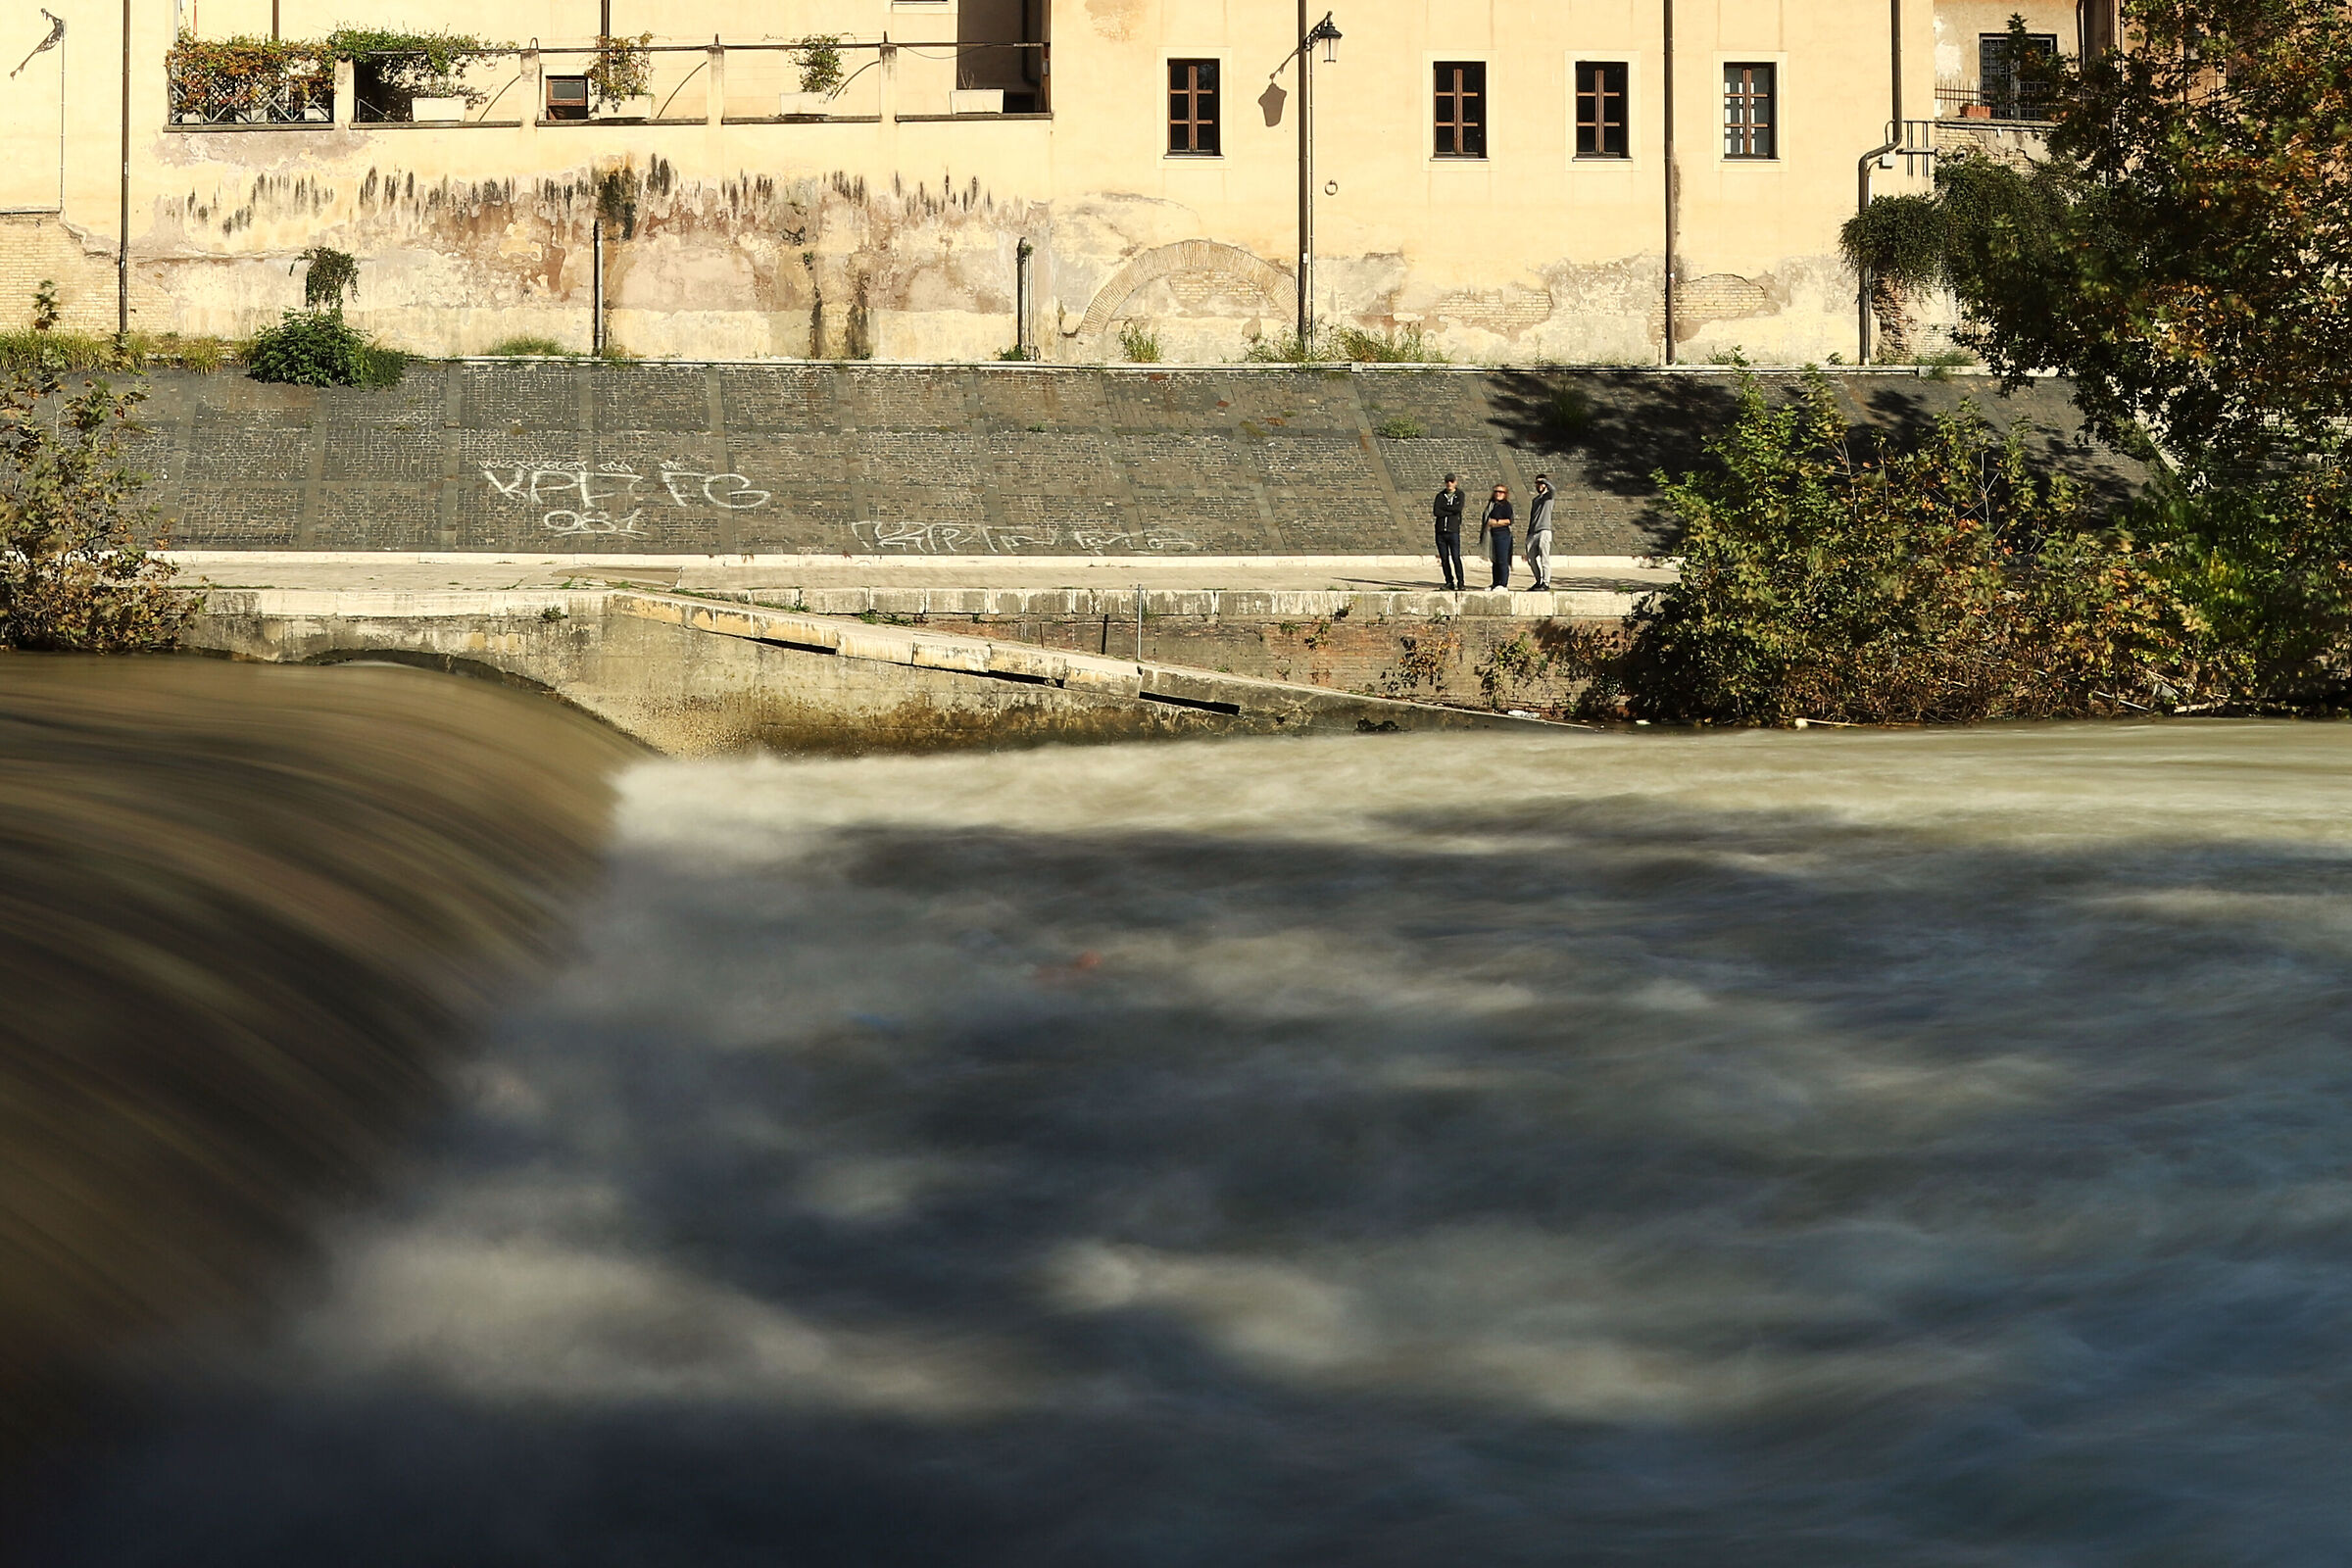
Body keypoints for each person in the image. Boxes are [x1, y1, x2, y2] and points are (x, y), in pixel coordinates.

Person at [1431, 473, 1466, 591]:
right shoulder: (1440, 496)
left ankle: (1461, 582)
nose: (1449, 484)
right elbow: (1436, 511)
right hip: (1441, 531)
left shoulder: (1459, 495)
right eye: (1447, 481)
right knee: (1444, 558)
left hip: (1453, 530)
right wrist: (1450, 510)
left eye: (1451, 481)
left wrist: (1445, 508)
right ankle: (1449, 581)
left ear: (1455, 482)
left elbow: (1458, 509)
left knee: (1456, 557)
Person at [1479, 483, 1515, 589]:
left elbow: (1509, 520)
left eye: (1501, 492)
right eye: (1496, 491)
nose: (1498, 494)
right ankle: (1495, 583)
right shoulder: (1492, 505)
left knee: (1502, 560)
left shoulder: (1506, 505)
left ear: (1505, 494)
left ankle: (1503, 584)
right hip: (1492, 535)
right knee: (1495, 561)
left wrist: (1496, 522)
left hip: (1502, 535)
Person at [1525, 473, 1556, 591]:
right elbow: (1532, 517)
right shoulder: (1535, 500)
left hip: (1544, 530)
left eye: (1541, 484)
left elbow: (1553, 489)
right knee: (1530, 559)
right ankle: (1538, 581)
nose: (1539, 486)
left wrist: (1545, 481)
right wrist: (1528, 534)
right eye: (1537, 484)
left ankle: (1546, 583)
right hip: (1533, 532)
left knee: (1544, 558)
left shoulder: (1549, 496)